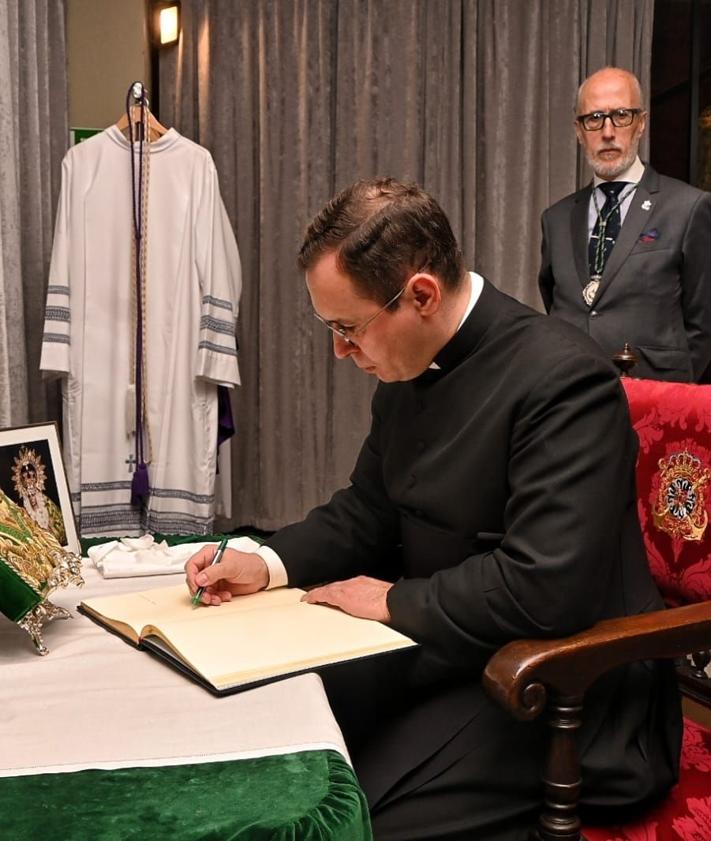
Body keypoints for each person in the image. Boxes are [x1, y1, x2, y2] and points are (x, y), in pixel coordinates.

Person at [186, 178, 680, 840]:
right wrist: (264, 561)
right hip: (450, 649)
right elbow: (367, 511)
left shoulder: (563, 379)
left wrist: (390, 601)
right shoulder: (408, 366)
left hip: (565, 687)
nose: (339, 350)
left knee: (347, 815)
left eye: (347, 327)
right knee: (275, 733)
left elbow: (545, 587)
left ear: (419, 295)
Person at [539, 66, 711, 382]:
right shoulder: (555, 219)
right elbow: (556, 305)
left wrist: (673, 394)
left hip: (656, 400)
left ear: (641, 123)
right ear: (579, 131)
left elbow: (703, 324)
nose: (607, 131)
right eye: (594, 119)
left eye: (621, 115)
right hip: (572, 396)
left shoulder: (689, 208)